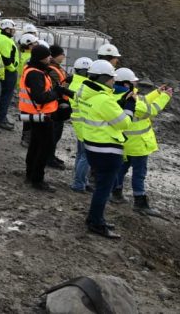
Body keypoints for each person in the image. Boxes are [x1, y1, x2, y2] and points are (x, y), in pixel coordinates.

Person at [75, 59, 136, 238]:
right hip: (107, 149)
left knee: (101, 185)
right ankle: (96, 223)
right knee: (103, 188)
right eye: (111, 78)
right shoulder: (103, 100)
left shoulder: (86, 93)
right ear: (103, 79)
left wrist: (119, 104)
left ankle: (94, 218)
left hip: (92, 146)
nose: (112, 81)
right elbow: (124, 123)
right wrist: (130, 105)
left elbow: (104, 113)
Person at [110, 69, 172, 216]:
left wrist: (157, 92)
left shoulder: (116, 95)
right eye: (133, 81)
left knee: (121, 169)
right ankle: (140, 202)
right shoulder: (130, 100)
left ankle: (116, 193)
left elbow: (143, 101)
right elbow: (150, 110)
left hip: (125, 143)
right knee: (139, 173)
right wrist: (165, 97)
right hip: (137, 144)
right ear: (126, 83)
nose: (136, 82)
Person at [19, 44, 68, 191]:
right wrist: (57, 94)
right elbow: (40, 97)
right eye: (47, 56)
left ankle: (30, 175)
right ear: (41, 58)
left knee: (35, 145)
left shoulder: (34, 70)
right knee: (43, 147)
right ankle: (37, 180)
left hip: (36, 114)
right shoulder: (36, 74)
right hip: (41, 115)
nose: (50, 58)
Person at [68, 56, 94, 193]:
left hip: (79, 124)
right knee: (86, 156)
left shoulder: (75, 83)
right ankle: (79, 183)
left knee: (81, 154)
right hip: (85, 124)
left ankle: (81, 180)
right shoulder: (84, 87)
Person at [0, 19, 20, 130]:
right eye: (12, 29)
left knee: (3, 95)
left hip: (2, 70)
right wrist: (13, 69)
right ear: (7, 29)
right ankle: (1, 119)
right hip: (8, 71)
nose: (14, 31)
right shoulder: (5, 40)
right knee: (6, 96)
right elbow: (6, 59)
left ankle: (1, 117)